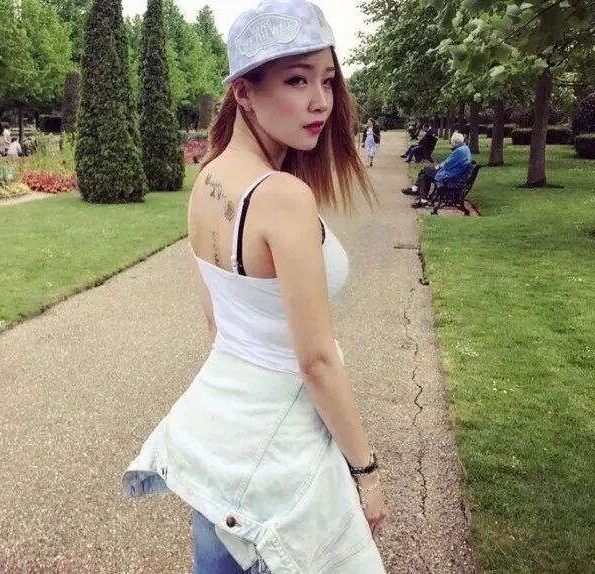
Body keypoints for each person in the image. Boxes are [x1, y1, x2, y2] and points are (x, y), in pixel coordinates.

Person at [123, 2, 388, 573]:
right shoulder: (282, 196)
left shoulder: (208, 179)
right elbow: (316, 361)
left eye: (327, 80)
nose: (321, 101)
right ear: (244, 93)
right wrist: (366, 472)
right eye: (297, 80)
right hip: (279, 466)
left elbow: (217, 324)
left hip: (219, 450)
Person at [402, 131, 472, 207]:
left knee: (425, 170)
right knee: (424, 176)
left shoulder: (459, 151)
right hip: (454, 174)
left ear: (455, 142)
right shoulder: (464, 148)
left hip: (450, 176)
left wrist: (439, 166)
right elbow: (448, 162)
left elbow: (447, 164)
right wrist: (439, 166)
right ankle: (422, 198)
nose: (451, 144)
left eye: (452, 142)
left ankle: (417, 190)